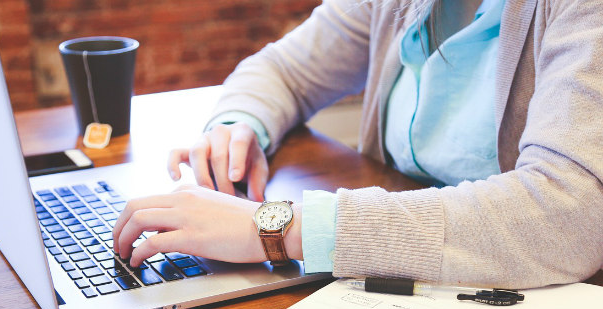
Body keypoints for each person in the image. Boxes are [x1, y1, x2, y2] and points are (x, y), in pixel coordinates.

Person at [113, 0, 603, 288]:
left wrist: (279, 229)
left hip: (533, 305)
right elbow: (284, 69)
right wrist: (239, 126)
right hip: (405, 289)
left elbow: (571, 211)